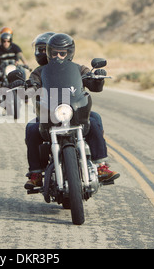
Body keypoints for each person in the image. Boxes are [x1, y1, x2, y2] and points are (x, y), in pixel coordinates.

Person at [23, 33, 119, 189]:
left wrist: (97, 77)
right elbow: (32, 86)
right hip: (50, 114)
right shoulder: (40, 71)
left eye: (63, 53)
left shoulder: (79, 69)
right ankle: (35, 174)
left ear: (70, 53)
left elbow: (94, 86)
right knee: (32, 128)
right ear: (49, 53)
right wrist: (29, 85)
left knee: (94, 121)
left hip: (75, 111)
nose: (59, 56)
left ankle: (101, 166)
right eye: (55, 53)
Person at [0, 30, 29, 105]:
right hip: (3, 68)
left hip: (13, 67)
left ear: (11, 41)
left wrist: (25, 64)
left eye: (8, 41)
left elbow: (21, 56)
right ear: (1, 41)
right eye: (4, 41)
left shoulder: (15, 47)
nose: (6, 43)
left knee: (23, 73)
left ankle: (25, 95)